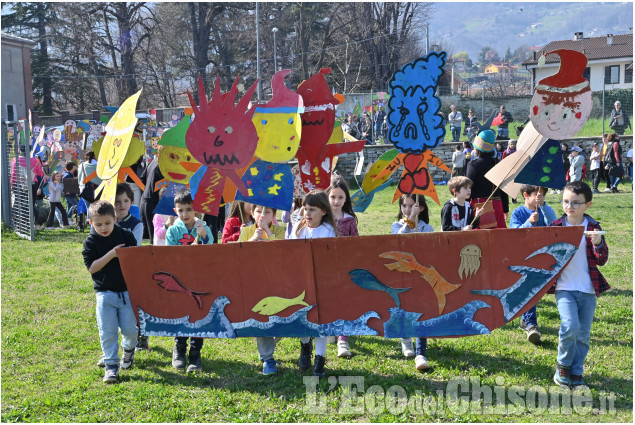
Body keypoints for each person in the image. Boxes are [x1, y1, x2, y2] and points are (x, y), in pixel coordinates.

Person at [550, 181, 609, 388]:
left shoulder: (593, 228)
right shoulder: (556, 227)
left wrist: (598, 243)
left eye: (576, 203)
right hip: (564, 287)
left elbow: (602, 259)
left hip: (588, 289)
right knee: (570, 326)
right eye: (566, 201)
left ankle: (576, 373)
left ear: (588, 205)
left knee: (583, 334)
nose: (570, 206)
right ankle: (563, 367)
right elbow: (546, 257)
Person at [82, 200, 139, 383]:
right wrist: (112, 254)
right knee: (108, 332)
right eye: (98, 224)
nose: (104, 227)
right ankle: (111, 366)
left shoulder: (126, 236)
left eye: (108, 223)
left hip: (126, 293)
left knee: (130, 331)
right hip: (104, 294)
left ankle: (128, 350)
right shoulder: (90, 242)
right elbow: (92, 268)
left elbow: (137, 260)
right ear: (91, 223)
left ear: (115, 219)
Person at [288, 190, 337, 377]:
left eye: (312, 209)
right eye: (305, 209)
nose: (307, 213)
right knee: (304, 318)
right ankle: (305, 346)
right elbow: (292, 252)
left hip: (322, 282)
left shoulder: (329, 231)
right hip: (302, 281)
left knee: (320, 321)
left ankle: (319, 358)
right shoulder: (299, 229)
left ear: (324, 211)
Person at [166, 189, 213, 372]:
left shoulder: (204, 228)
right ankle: (179, 348)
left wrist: (203, 237)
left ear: (196, 210)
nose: (185, 214)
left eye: (189, 209)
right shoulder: (173, 230)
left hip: (199, 279)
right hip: (179, 279)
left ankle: (195, 352)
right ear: (175, 210)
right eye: (181, 210)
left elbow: (212, 252)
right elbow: (168, 255)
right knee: (181, 313)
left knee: (198, 314)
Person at [509, 185, 557, 344]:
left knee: (534, 290)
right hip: (524, 257)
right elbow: (514, 234)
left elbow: (554, 223)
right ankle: (531, 324)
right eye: (536, 194)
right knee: (530, 287)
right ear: (525, 195)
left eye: (542, 195)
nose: (539, 197)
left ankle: (525, 320)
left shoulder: (544, 210)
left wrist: (543, 205)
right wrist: (529, 222)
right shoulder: (518, 213)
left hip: (543, 255)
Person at [391, 193, 434, 371]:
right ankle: (406, 341)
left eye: (411, 206)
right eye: (404, 206)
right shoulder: (396, 225)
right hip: (402, 275)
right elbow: (399, 239)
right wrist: (410, 220)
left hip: (422, 277)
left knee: (421, 311)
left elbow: (430, 249)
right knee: (404, 307)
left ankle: (420, 352)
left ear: (420, 208)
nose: (407, 209)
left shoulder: (428, 228)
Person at [326, 177, 358, 358]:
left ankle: (343, 339)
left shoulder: (349, 221)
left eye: (340, 197)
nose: (336, 201)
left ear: (346, 199)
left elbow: (356, 245)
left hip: (345, 267)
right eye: (332, 197)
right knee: (329, 300)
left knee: (345, 302)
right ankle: (330, 328)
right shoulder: (322, 218)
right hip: (326, 268)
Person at [466, 129, 509, 229]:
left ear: (477, 149)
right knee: (498, 237)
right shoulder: (498, 163)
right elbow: (503, 187)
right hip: (497, 204)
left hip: (479, 205)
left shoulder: (472, 165)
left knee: (478, 239)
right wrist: (505, 209)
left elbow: (468, 187)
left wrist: (465, 206)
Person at [139, 155, 164, 244]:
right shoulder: (164, 165)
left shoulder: (154, 161)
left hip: (145, 200)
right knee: (156, 238)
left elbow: (142, 179)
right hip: (153, 203)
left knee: (152, 238)